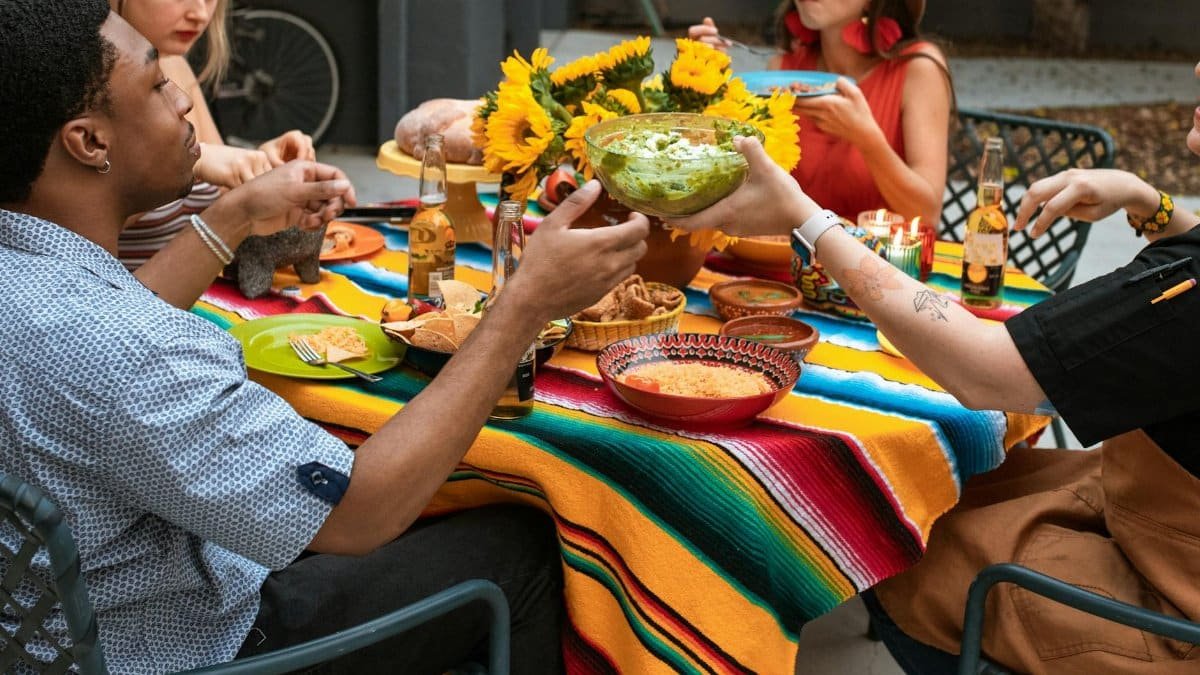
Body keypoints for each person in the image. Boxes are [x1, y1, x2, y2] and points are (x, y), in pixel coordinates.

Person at [0, 2, 649, 673]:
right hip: (204, 646)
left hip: (57, 633)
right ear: (90, 142)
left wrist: (235, 216)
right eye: (158, 85)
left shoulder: (45, 288)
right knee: (527, 545)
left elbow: (110, 327)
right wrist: (522, 306)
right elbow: (363, 511)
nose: (184, 102)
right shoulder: (134, 353)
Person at [669, 71, 1200, 671]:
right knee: (937, 493)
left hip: (1169, 612)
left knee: (885, 538)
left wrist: (809, 221)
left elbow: (986, 371)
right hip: (1147, 516)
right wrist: (1147, 202)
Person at [688, 0, 952, 222]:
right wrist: (705, 82)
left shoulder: (919, 70)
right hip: (784, 264)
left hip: (877, 270)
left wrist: (868, 142)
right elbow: (739, 186)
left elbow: (927, 214)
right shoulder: (780, 70)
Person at [112, 0, 317, 272]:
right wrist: (191, 162)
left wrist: (260, 165)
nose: (200, 13)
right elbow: (74, 230)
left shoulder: (176, 65)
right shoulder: (85, 83)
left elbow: (218, 196)